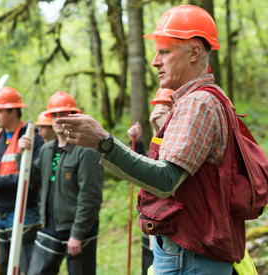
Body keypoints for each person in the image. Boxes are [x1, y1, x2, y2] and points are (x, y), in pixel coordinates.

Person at [57, 5, 242, 274]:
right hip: (192, 252)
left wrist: (103, 142)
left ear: (194, 53)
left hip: (187, 255)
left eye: (164, 52)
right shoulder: (208, 99)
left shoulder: (198, 103)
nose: (155, 61)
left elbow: (166, 181)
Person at [25, 91, 104, 275]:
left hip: (78, 233)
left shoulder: (87, 150)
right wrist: (23, 156)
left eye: (63, 115)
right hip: (50, 227)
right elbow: (34, 181)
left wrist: (77, 234)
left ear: (73, 117)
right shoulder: (46, 150)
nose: (58, 119)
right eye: (54, 115)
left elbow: (90, 197)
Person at [0, 86, 44, 274]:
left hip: (23, 212)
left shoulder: (32, 137)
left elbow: (32, 177)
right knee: (2, 267)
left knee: (26, 267)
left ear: (13, 111)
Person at [127, 87, 174, 275]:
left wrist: (167, 128)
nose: (161, 109)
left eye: (167, 105)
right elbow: (147, 170)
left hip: (170, 224)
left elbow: (167, 171)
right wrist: (136, 143)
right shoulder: (156, 134)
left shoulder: (183, 134)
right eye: (159, 105)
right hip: (153, 219)